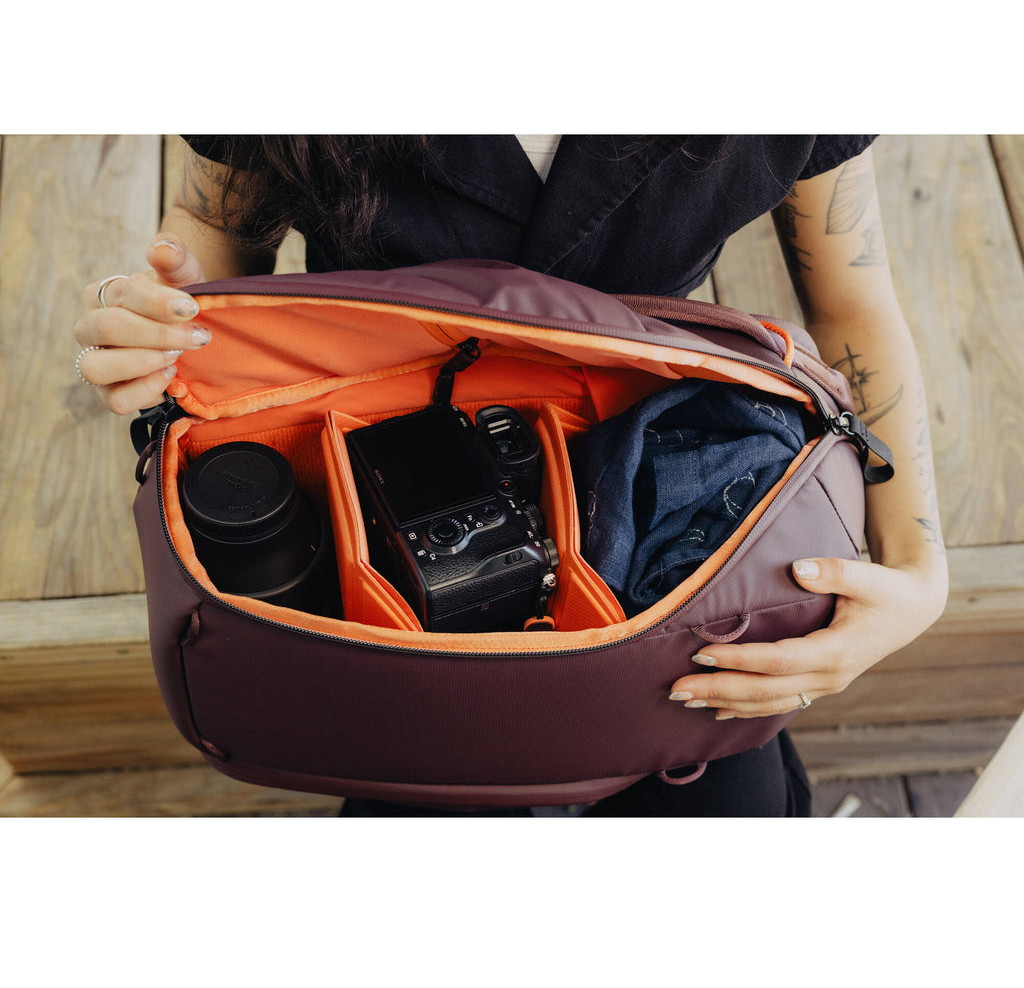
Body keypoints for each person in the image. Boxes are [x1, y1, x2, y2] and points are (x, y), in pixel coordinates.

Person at [73, 135, 949, 817]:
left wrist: (920, 570)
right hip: (381, 476)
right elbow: (214, 234)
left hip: (654, 456)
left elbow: (851, 302)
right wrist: (158, 321)